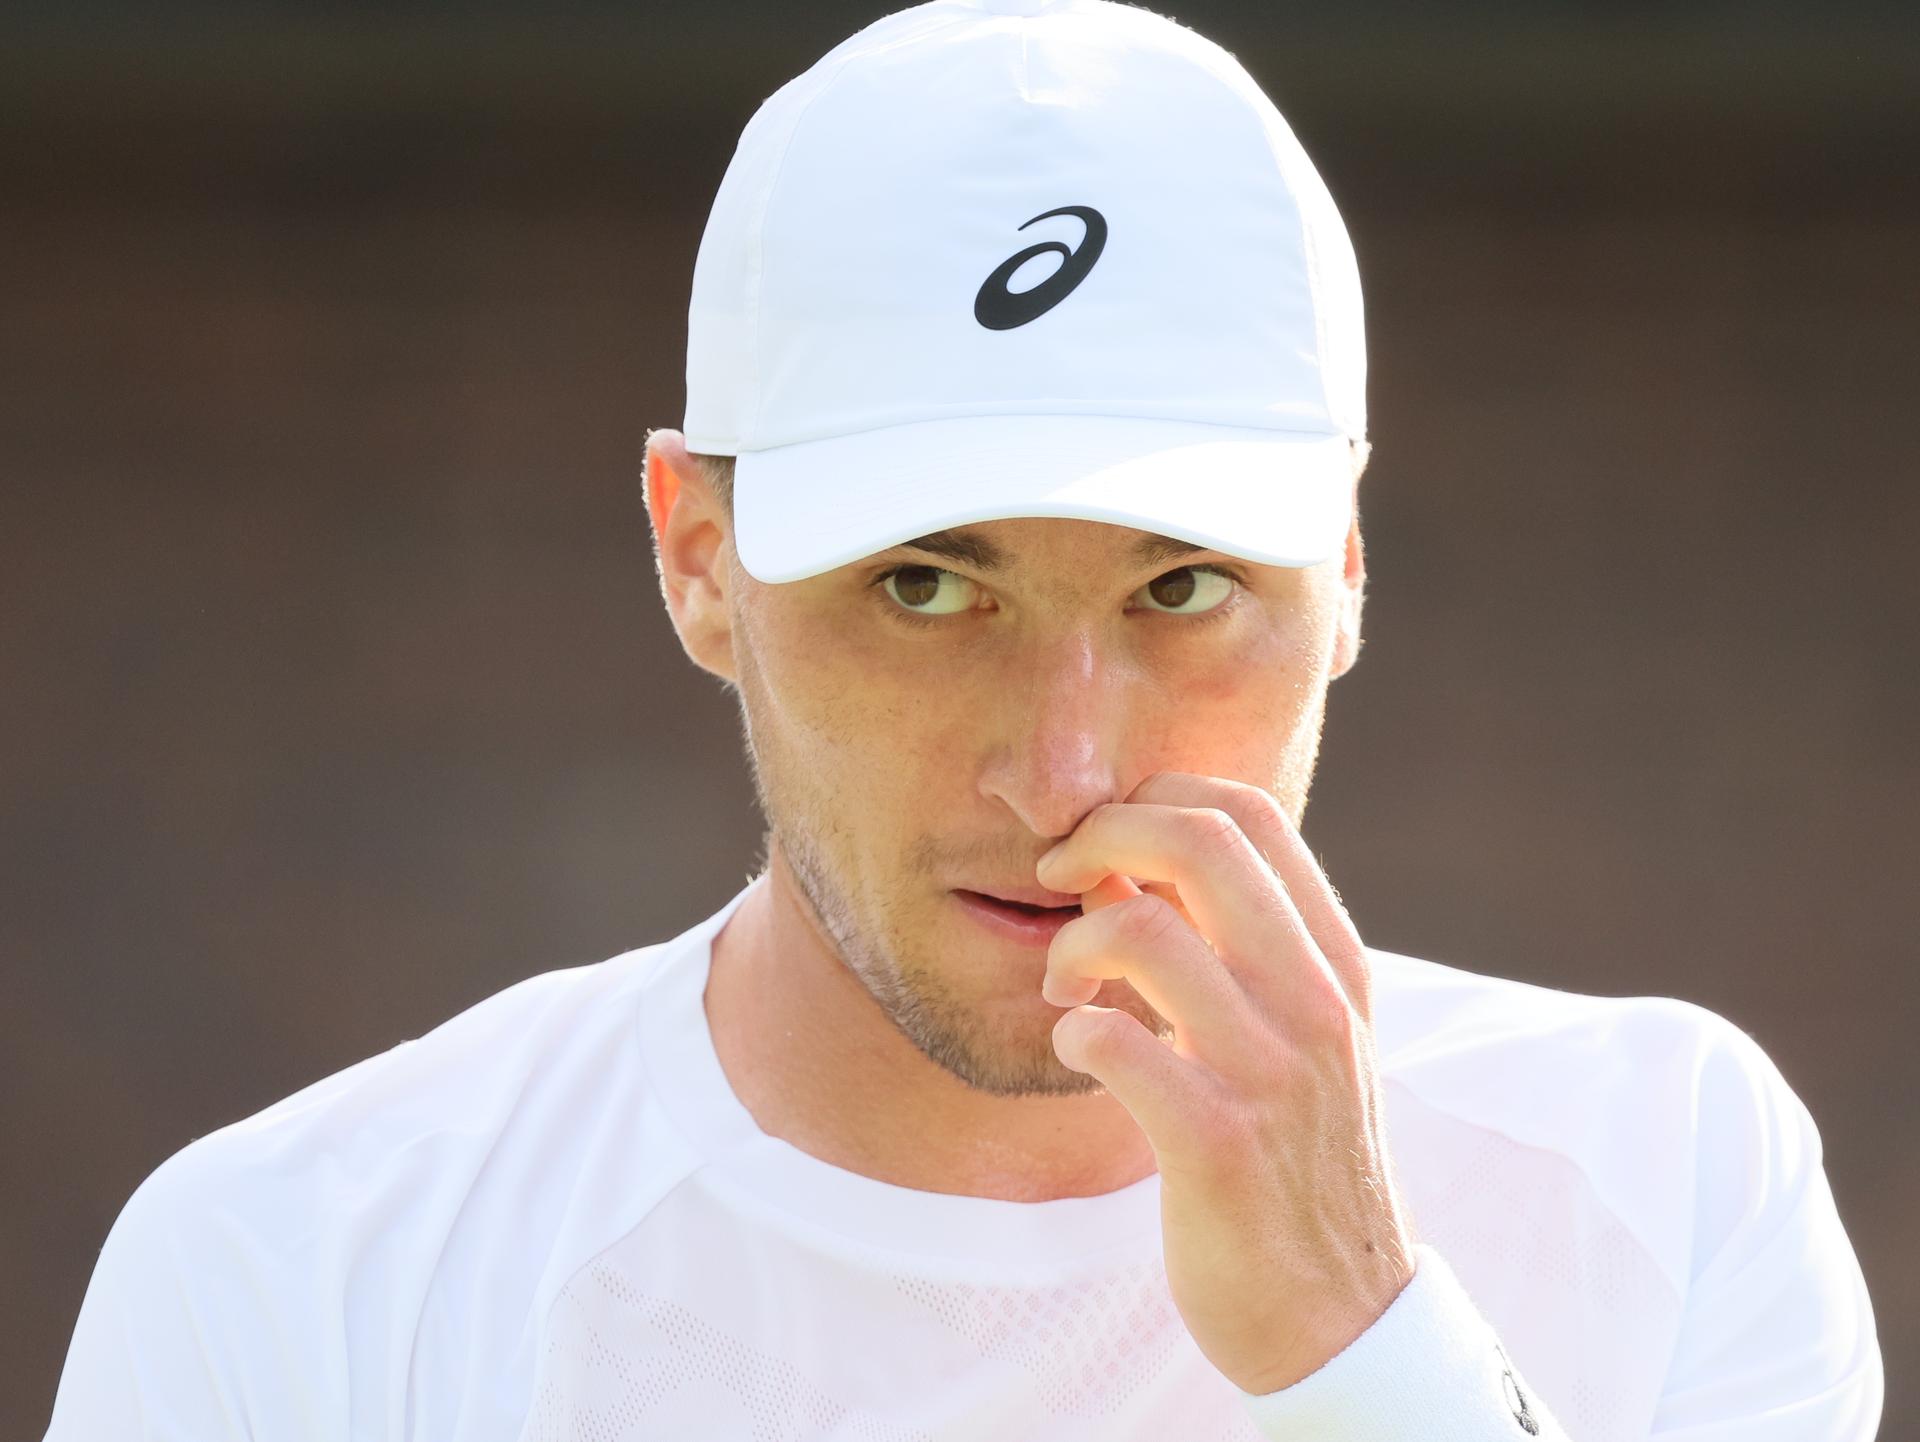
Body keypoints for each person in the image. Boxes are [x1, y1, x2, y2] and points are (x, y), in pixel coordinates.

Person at [46, 1, 1884, 1438]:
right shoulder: (299, 1276)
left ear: (1341, 568)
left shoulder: (1668, 1178)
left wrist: (1365, 1345)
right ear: (699, 556)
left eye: (1182, 589)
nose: (1065, 770)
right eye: (927, 587)